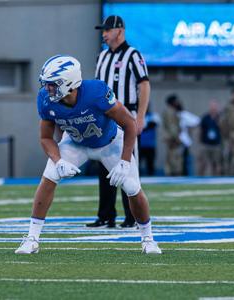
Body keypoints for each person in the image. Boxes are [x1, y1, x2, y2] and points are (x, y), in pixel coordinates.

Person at [15, 55, 161, 255]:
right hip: (75, 143)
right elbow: (46, 138)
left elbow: (129, 124)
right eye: (46, 84)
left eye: (52, 84)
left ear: (69, 83)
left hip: (110, 143)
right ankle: (31, 238)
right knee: (49, 177)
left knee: (132, 188)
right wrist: (58, 161)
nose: (47, 89)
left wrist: (125, 161)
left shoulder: (96, 92)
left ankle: (148, 239)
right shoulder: (46, 100)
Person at [87, 15, 151, 228]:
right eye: (103, 30)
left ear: (120, 31)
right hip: (105, 117)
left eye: (107, 30)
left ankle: (132, 215)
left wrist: (140, 116)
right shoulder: (102, 57)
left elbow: (144, 85)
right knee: (104, 164)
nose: (104, 34)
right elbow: (97, 88)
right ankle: (106, 214)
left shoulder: (133, 55)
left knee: (128, 165)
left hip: (127, 115)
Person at [198, 100, 223, 176]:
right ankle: (200, 179)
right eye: (212, 107)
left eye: (215, 107)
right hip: (206, 144)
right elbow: (200, 130)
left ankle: (216, 179)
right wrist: (200, 142)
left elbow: (224, 130)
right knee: (203, 163)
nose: (213, 108)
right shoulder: (205, 118)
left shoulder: (220, 118)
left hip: (216, 144)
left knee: (216, 164)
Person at [162, 94, 183, 176]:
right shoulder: (170, 111)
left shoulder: (171, 111)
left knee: (171, 156)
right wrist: (176, 138)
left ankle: (171, 172)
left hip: (170, 137)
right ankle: (173, 173)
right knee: (174, 157)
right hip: (172, 138)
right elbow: (172, 126)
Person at [138, 107, 160, 176]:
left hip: (150, 145)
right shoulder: (137, 116)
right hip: (140, 145)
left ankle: (152, 177)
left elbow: (153, 124)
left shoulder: (153, 116)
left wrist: (142, 126)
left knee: (150, 164)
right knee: (138, 164)